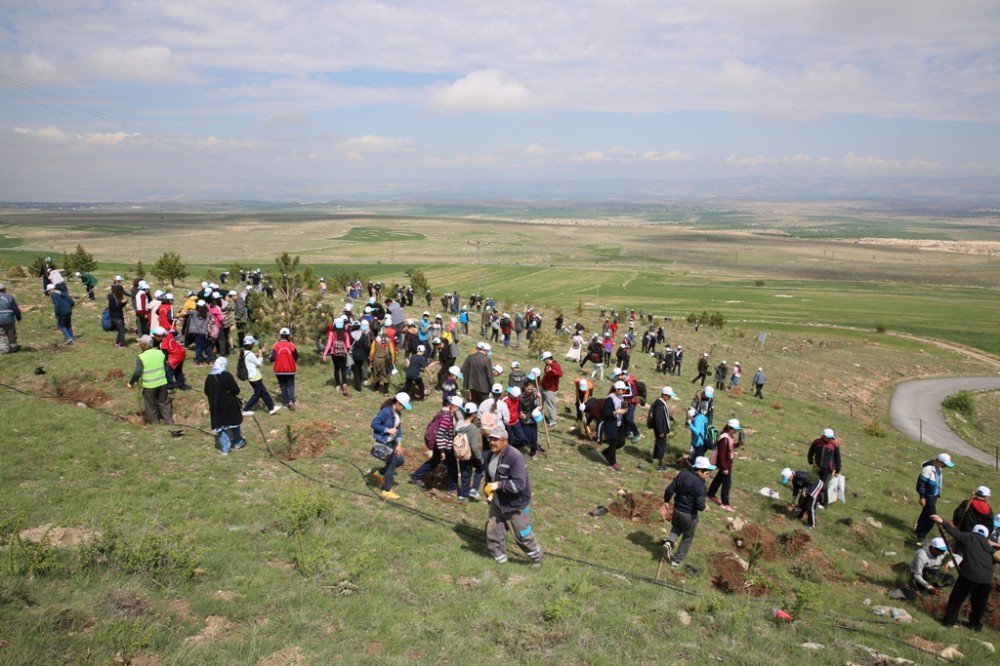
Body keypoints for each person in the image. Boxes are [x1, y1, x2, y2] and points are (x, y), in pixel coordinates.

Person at [482, 424, 544, 567]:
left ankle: (537, 557)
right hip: (497, 502)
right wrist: (489, 491)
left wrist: (498, 485)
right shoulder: (490, 455)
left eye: (496, 439)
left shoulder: (515, 457)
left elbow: (519, 484)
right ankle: (500, 562)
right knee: (493, 531)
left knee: (523, 535)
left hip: (516, 504)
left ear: (505, 441)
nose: (492, 442)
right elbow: (489, 477)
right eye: (490, 439)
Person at [931, 515, 999, 631]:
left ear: (974, 531)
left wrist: (942, 521)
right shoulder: (988, 545)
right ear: (986, 535)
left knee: (956, 599)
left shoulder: (969, 537)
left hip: (969, 575)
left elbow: (955, 533)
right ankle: (975, 626)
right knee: (979, 604)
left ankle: (949, 621)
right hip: (986, 579)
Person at [661, 456, 716, 568]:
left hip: (677, 509)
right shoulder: (701, 486)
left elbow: (669, 489)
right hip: (689, 515)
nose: (709, 474)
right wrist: (704, 506)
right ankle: (676, 561)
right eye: (707, 471)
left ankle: (669, 543)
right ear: (699, 471)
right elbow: (700, 506)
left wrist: (666, 501)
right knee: (687, 537)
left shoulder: (683, 474)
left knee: (676, 527)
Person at [410, 395, 463, 494]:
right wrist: (442, 451)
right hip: (442, 445)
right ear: (454, 406)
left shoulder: (443, 412)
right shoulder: (447, 417)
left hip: (441, 444)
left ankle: (415, 476)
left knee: (434, 461)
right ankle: (452, 488)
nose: (458, 410)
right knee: (451, 464)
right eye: (458, 408)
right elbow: (440, 435)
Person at [369, 392, 412, 499]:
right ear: (398, 403)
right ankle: (386, 491)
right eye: (403, 406)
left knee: (400, 460)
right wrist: (387, 430)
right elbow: (374, 424)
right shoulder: (386, 412)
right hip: (384, 442)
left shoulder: (398, 412)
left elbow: (399, 429)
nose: (404, 409)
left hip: (393, 442)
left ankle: (379, 473)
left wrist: (399, 443)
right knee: (392, 464)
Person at [127, 335, 174, 424]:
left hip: (149, 386)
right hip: (162, 383)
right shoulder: (160, 353)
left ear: (142, 345)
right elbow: (166, 367)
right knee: (164, 402)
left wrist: (131, 383)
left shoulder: (141, 357)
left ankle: (154, 423)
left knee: (150, 404)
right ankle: (169, 421)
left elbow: (137, 372)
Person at [204, 357, 245, 455]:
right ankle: (238, 442)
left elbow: (206, 392)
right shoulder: (227, 375)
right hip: (229, 404)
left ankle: (225, 449)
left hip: (216, 406)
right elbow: (236, 390)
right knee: (234, 423)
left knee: (221, 427)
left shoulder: (209, 378)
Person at [914, 453, 955, 545]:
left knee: (925, 514)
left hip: (934, 496)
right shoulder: (928, 469)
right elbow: (921, 484)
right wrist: (922, 497)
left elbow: (937, 482)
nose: (946, 466)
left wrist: (938, 493)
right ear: (940, 462)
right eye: (945, 464)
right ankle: (921, 536)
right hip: (928, 496)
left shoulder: (939, 469)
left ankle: (918, 531)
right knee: (933, 518)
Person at [240, 336, 281, 416]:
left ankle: (271, 407)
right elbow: (259, 364)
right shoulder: (250, 354)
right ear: (250, 345)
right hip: (254, 377)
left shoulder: (244, 352)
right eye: (253, 344)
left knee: (263, 392)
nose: (254, 345)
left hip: (252, 376)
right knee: (258, 394)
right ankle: (245, 409)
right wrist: (260, 354)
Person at [706, 419, 741, 512]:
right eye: (734, 429)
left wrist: (738, 444)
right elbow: (721, 454)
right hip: (725, 464)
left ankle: (710, 494)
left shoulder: (729, 436)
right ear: (730, 428)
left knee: (718, 480)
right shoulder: (724, 438)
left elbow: (729, 447)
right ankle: (725, 504)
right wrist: (725, 468)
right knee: (727, 484)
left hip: (727, 463)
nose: (736, 431)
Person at [457, 402, 485, 502]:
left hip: (461, 454)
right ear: (473, 414)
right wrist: (479, 458)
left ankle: (463, 496)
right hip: (471, 455)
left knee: (465, 474)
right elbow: (473, 446)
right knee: (480, 469)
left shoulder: (459, 424)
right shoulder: (472, 428)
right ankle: (473, 489)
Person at [807, 428, 841, 508]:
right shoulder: (817, 442)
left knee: (823, 486)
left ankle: (822, 503)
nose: (829, 439)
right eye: (828, 437)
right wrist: (811, 461)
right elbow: (811, 452)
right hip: (817, 468)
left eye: (831, 437)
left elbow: (837, 458)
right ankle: (813, 498)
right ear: (823, 436)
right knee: (813, 483)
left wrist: (837, 470)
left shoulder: (835, 445)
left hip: (828, 470)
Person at [601, 381, 629, 471]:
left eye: (624, 390)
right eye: (622, 390)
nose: (624, 391)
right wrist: (617, 412)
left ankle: (606, 452)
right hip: (611, 424)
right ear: (616, 389)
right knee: (613, 444)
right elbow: (606, 414)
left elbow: (623, 407)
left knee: (621, 442)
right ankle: (613, 463)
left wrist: (625, 408)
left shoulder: (621, 396)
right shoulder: (609, 399)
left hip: (619, 424)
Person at [270, 327, 299, 410]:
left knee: (283, 385)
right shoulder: (291, 345)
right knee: (291, 384)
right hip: (290, 369)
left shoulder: (276, 345)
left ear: (280, 335)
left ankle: (286, 402)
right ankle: (291, 401)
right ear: (288, 335)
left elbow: (272, 358)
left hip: (279, 370)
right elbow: (296, 356)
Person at [650, 386, 678, 471]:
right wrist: (660, 431)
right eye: (669, 396)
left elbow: (663, 414)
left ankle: (655, 458)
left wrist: (670, 417)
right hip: (661, 429)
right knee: (662, 446)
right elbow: (657, 418)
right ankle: (659, 465)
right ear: (664, 395)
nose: (670, 398)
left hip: (661, 428)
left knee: (659, 443)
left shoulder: (661, 402)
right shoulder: (659, 404)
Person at [322, 317, 352, 396]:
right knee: (343, 369)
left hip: (334, 353)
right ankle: (344, 383)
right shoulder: (345, 333)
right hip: (343, 353)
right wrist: (347, 350)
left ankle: (338, 385)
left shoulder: (332, 333)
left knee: (336, 369)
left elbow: (328, 344)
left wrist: (325, 354)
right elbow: (348, 345)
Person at [158, 326, 189, 391]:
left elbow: (165, 356)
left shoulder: (164, 345)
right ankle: (182, 386)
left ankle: (170, 387)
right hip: (181, 353)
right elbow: (174, 332)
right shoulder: (169, 334)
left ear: (161, 336)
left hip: (175, 357)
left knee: (168, 372)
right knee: (178, 371)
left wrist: (165, 362)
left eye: (156, 336)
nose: (155, 337)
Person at [368, 329, 396, 395]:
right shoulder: (389, 341)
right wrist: (392, 361)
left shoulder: (376, 340)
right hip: (385, 360)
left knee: (377, 374)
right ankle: (385, 392)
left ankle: (377, 389)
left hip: (377, 359)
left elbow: (372, 352)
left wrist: (371, 360)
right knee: (386, 375)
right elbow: (392, 352)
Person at [539, 351, 562, 429]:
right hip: (544, 387)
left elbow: (560, 374)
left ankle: (553, 422)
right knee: (539, 402)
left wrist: (552, 371)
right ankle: (538, 416)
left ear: (548, 358)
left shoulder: (555, 365)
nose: (543, 361)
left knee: (550, 406)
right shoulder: (547, 365)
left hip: (550, 389)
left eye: (544, 360)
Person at [0, 283, 22, 353]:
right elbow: (16, 309)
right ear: (4, 289)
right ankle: (14, 348)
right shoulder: (9, 297)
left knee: (1, 334)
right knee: (11, 333)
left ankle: (3, 350)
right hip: (8, 319)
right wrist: (18, 318)